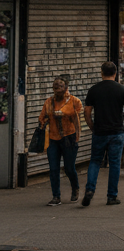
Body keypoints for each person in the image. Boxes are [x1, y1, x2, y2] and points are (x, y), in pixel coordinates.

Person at [81, 62, 124, 207]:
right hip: (117, 132)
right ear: (115, 73)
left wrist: (92, 126)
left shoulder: (94, 90)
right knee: (115, 163)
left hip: (99, 131)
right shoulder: (123, 89)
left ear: (101, 72)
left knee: (95, 161)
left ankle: (90, 190)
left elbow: (86, 112)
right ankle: (111, 196)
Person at [39, 76, 82, 206]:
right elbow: (41, 118)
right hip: (53, 139)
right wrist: (44, 121)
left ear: (66, 88)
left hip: (69, 137)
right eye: (55, 85)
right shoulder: (48, 102)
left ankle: (75, 188)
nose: (57, 87)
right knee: (53, 169)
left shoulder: (74, 101)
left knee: (69, 168)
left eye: (60, 85)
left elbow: (77, 119)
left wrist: (77, 136)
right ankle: (56, 196)